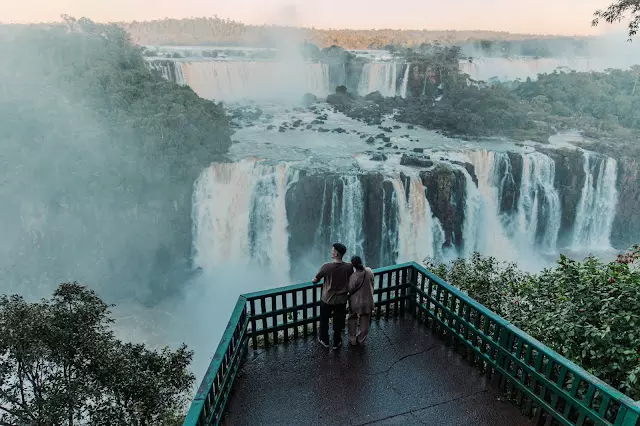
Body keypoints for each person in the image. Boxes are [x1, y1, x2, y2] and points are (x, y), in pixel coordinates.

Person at [312, 242, 353, 350]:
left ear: (337, 253)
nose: (331, 251)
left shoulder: (326, 267)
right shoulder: (349, 267)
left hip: (327, 299)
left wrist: (314, 280)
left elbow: (316, 279)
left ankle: (324, 340)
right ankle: (336, 342)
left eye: (333, 250)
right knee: (339, 320)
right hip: (342, 299)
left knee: (324, 320)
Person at [347, 256, 374, 346]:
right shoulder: (369, 271)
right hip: (368, 301)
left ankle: (352, 339)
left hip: (355, 302)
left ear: (353, 265)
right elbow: (372, 280)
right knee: (365, 320)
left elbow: (350, 290)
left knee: (352, 318)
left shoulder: (353, 276)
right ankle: (361, 339)